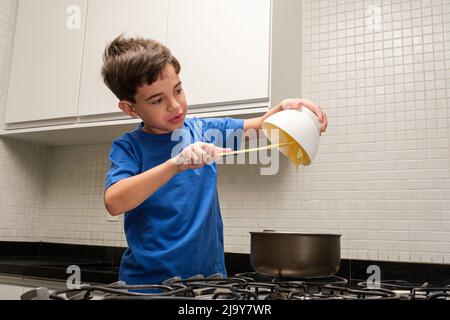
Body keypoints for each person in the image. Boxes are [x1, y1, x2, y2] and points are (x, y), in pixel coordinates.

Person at [102, 35, 328, 286]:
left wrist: (287, 109)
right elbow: (115, 201)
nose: (175, 105)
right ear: (130, 108)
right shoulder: (128, 147)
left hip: (209, 283)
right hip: (148, 287)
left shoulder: (202, 129)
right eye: (157, 100)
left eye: (178, 90)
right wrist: (174, 164)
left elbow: (262, 126)